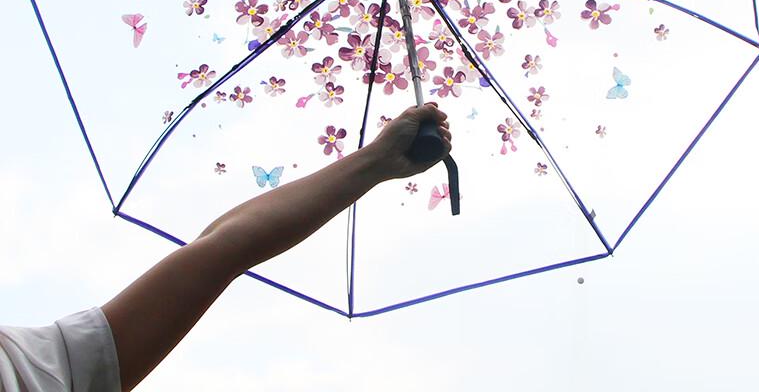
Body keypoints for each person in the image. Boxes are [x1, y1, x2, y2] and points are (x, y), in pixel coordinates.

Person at [0, 103, 451, 392]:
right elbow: (226, 248)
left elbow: (225, 247)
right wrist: (374, 163)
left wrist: (376, 161)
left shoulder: (32, 365)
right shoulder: (36, 367)